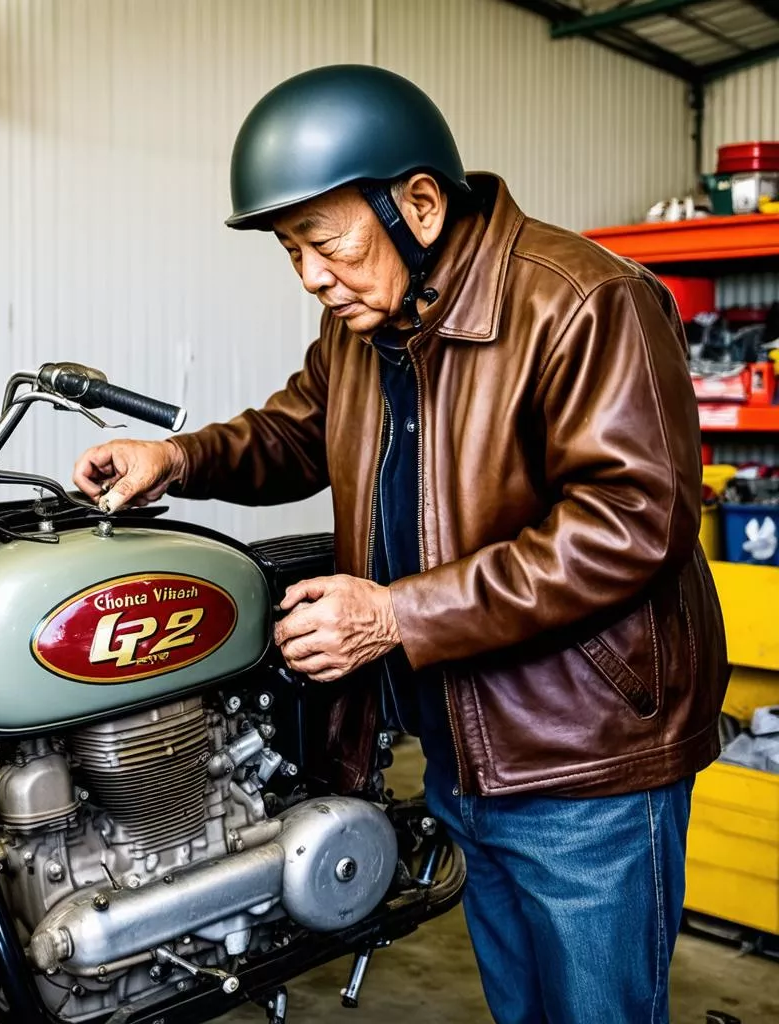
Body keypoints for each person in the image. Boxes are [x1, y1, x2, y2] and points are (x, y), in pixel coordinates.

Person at [73, 64, 729, 1024]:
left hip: (584, 762)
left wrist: (394, 615)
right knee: (526, 1008)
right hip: (466, 749)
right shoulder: (369, 325)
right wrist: (175, 458)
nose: (310, 276)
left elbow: (634, 522)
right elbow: (299, 429)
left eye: (323, 244)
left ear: (419, 204)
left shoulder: (585, 303)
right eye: (290, 251)